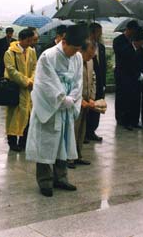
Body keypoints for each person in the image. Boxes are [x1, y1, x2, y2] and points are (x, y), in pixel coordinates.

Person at [25, 25, 87, 197]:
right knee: (46, 144)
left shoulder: (78, 57)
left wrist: (72, 98)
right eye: (73, 49)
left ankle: (61, 177)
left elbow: (78, 82)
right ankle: (44, 181)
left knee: (63, 144)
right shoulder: (48, 56)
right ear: (64, 42)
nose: (74, 53)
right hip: (50, 108)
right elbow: (45, 84)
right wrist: (62, 98)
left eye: (77, 50)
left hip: (66, 107)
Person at [4, 28, 37, 152]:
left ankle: (24, 142)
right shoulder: (10, 53)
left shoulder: (32, 51)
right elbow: (11, 71)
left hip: (29, 90)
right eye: (28, 41)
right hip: (16, 89)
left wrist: (32, 80)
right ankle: (12, 142)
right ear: (21, 39)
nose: (30, 43)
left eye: (31, 41)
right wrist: (26, 81)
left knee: (28, 116)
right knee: (14, 116)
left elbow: (35, 67)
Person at [68, 40, 96, 169]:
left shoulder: (90, 62)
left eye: (92, 56)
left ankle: (78, 155)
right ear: (82, 51)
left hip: (86, 101)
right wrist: (79, 100)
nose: (90, 58)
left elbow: (93, 78)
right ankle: (69, 158)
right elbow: (71, 84)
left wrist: (91, 97)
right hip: (75, 101)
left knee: (82, 130)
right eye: (89, 55)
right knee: (73, 129)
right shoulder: (73, 61)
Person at [113, 20, 139, 126]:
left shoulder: (133, 39)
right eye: (133, 31)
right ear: (128, 29)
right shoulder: (118, 40)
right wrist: (131, 45)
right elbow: (121, 53)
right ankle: (120, 118)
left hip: (132, 74)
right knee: (121, 97)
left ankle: (130, 119)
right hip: (122, 73)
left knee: (131, 97)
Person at [86, 23, 106, 142]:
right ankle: (85, 132)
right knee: (89, 106)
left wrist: (103, 83)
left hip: (100, 81)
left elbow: (103, 66)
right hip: (89, 80)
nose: (100, 34)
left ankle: (92, 130)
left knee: (97, 105)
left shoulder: (101, 47)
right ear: (92, 32)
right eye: (99, 32)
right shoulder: (86, 46)